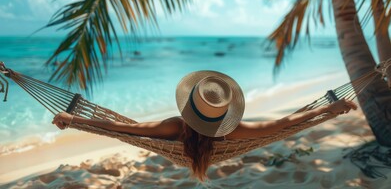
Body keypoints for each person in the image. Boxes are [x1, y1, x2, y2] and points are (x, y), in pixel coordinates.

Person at [52, 70, 357, 181]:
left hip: (178, 143)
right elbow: (281, 124)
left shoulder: (173, 126)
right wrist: (330, 108)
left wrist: (76, 119)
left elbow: (125, 129)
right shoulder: (234, 131)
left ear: (190, 105)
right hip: (215, 148)